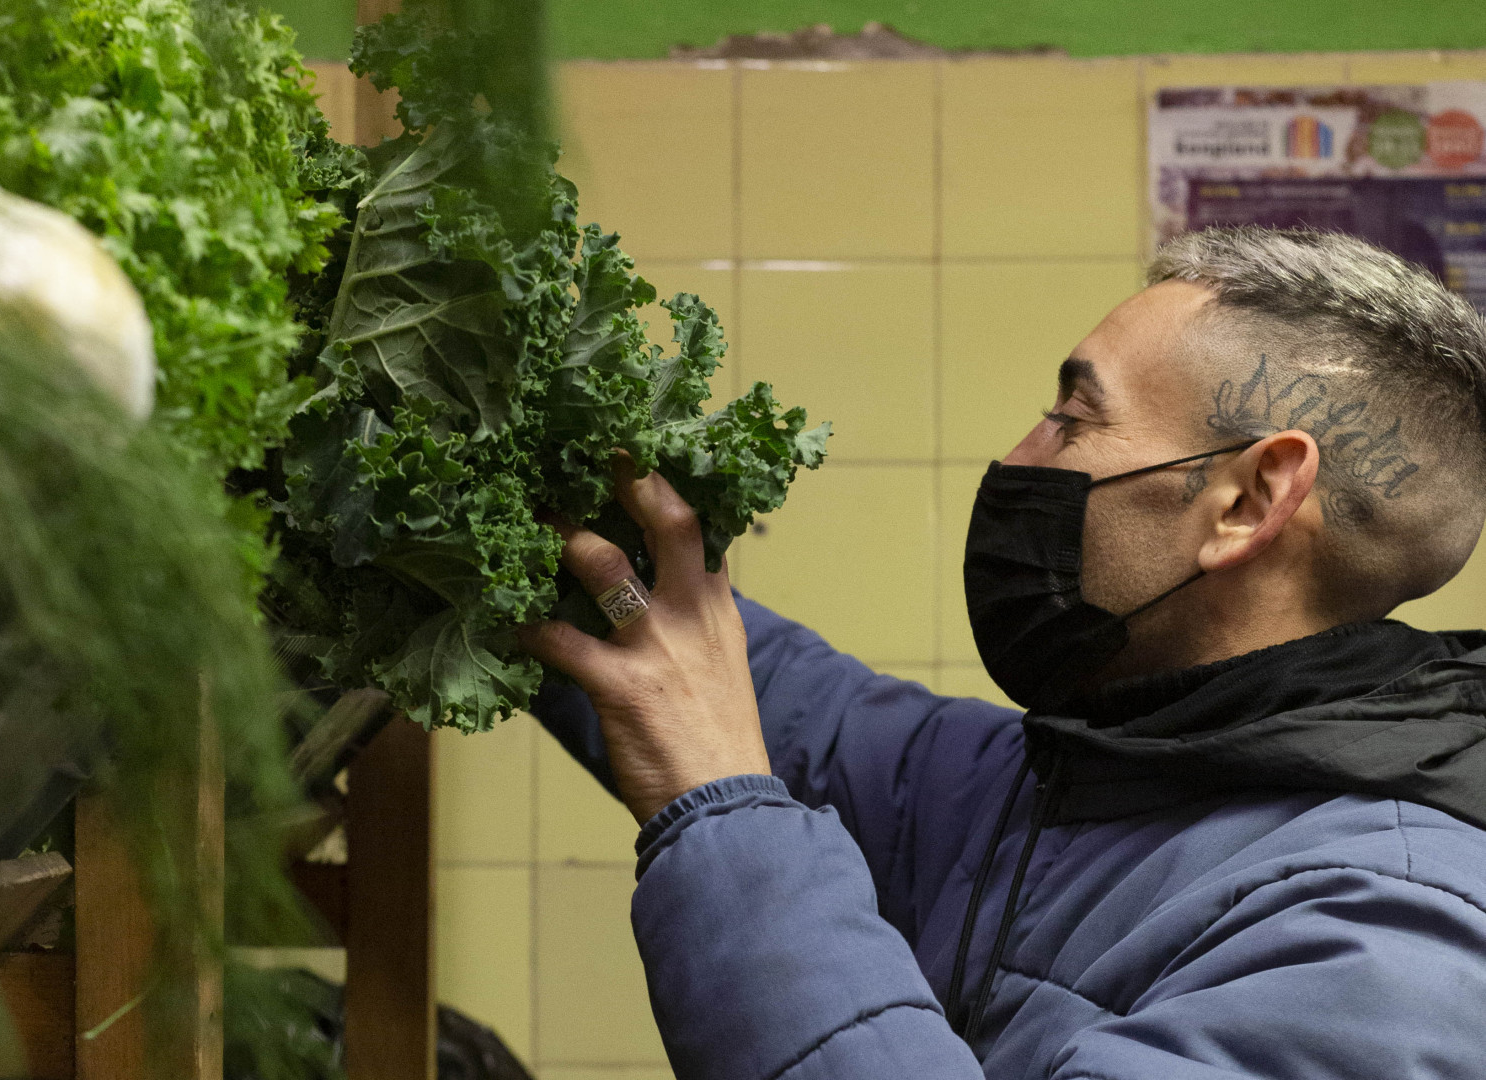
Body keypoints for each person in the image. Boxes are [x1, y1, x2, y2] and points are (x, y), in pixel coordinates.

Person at [516, 226, 1486, 1080]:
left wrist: (718, 803)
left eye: (1073, 419)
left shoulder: (1383, 945)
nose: (1022, 456)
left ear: (1247, 500)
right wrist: (530, 523)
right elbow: (801, 712)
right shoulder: (1081, 776)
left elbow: (734, 758)